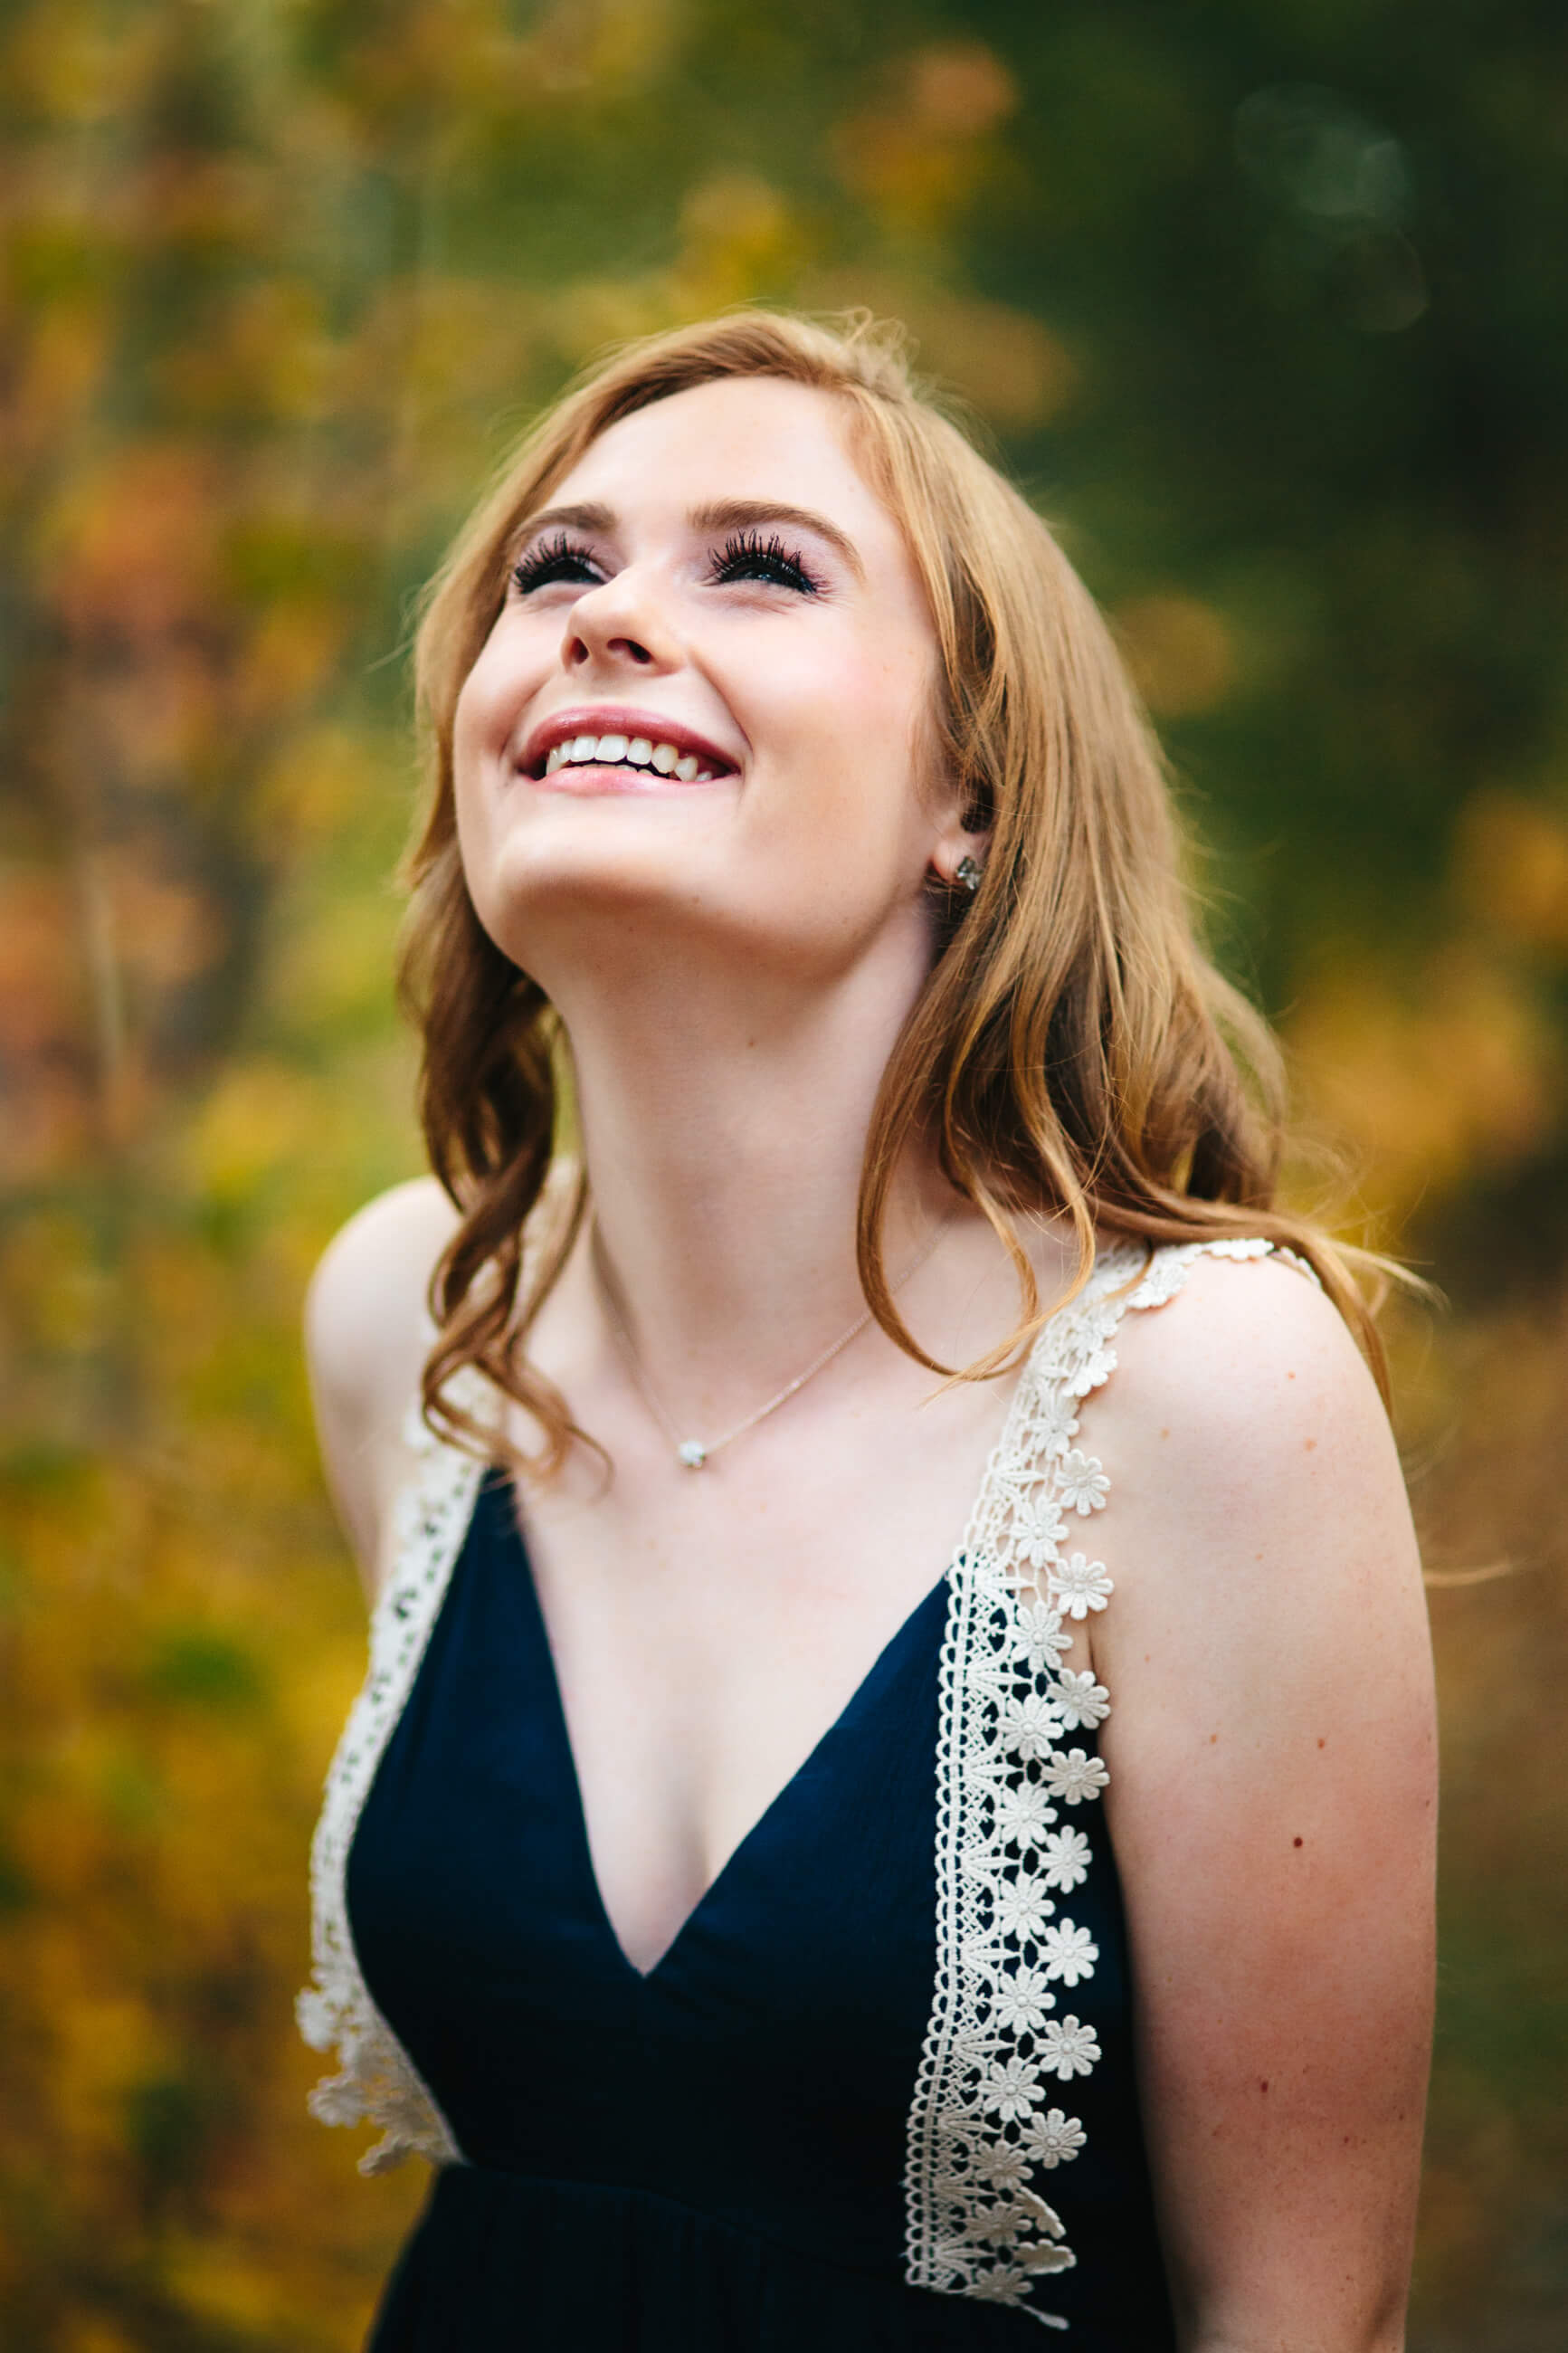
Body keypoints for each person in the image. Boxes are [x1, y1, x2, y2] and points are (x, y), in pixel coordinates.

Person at [296, 310, 1436, 2352]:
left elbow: (1301, 2312)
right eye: (556, 569)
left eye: (760, 563)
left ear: (970, 798)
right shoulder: (408, 1321)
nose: (609, 617)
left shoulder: (1204, 1385)